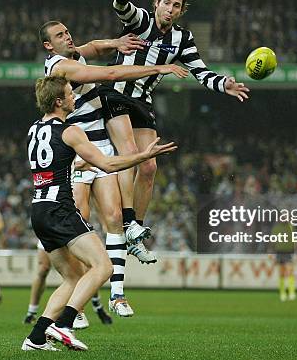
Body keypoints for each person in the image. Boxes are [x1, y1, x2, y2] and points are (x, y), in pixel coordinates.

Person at [101, 0, 250, 257]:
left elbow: (201, 72)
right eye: (166, 3)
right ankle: (128, 222)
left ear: (181, 12)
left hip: (142, 100)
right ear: (156, 4)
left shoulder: (183, 38)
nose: (170, 9)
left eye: (176, 6)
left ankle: (135, 233)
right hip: (116, 94)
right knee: (130, 155)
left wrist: (224, 84)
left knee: (150, 166)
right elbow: (120, 6)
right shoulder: (141, 21)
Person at [40, 20, 188, 315]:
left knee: (114, 216)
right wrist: (158, 68)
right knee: (81, 222)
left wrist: (114, 44)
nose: (68, 37)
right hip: (79, 150)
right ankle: (78, 306)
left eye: (68, 31)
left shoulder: (71, 55)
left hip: (101, 145)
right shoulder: (60, 66)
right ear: (48, 46)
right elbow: (110, 72)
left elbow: (92, 47)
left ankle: (117, 294)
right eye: (60, 35)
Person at [21, 76, 177, 351]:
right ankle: (64, 325)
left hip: (39, 210)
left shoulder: (34, 129)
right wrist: (142, 156)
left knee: (72, 277)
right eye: (70, 94)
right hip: (61, 210)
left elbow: (51, 164)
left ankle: (35, 338)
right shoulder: (70, 131)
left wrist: (75, 164)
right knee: (103, 266)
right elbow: (107, 163)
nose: (74, 98)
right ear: (59, 101)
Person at [22, 240, 112, 327]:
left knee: (83, 271)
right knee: (43, 269)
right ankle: (32, 312)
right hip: (50, 230)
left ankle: (94, 307)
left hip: (70, 232)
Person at [270, 220, 296, 301]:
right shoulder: (277, 228)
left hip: (288, 252)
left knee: (289, 272)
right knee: (282, 273)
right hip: (280, 252)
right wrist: (271, 252)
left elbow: (295, 240)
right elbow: (273, 240)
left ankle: (291, 292)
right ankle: (282, 293)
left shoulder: (291, 227)